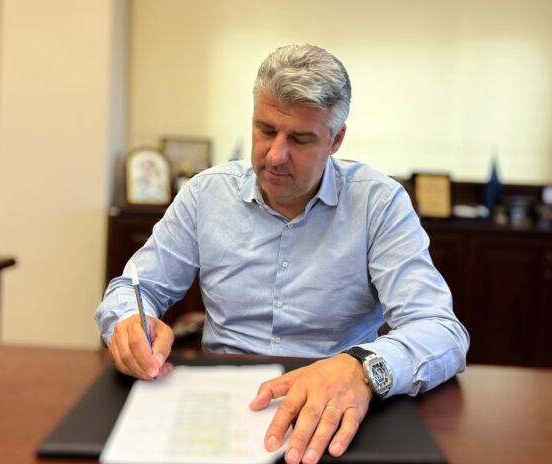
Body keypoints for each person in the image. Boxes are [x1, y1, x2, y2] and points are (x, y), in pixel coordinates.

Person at [95, 44, 469, 464]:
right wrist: (129, 322)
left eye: (300, 139)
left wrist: (362, 368)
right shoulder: (205, 194)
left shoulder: (378, 204)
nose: (275, 155)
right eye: (265, 130)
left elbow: (442, 332)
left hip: (335, 405)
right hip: (223, 402)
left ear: (336, 139)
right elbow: (134, 288)